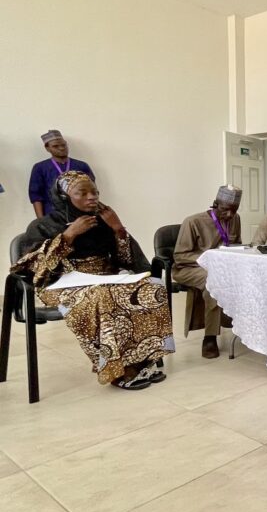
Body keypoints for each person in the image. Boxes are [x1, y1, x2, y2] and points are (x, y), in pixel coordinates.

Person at [13, 171, 173, 389]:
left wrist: (118, 229)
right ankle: (118, 371)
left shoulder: (103, 221)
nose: (92, 197)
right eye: (83, 193)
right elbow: (35, 267)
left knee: (151, 288)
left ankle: (143, 360)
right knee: (101, 296)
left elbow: (126, 260)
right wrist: (69, 235)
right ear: (64, 196)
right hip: (61, 281)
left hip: (102, 277)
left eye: (95, 192)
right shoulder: (43, 225)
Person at [172, 185, 242, 359]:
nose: (229, 216)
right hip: (190, 267)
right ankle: (210, 337)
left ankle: (240, 325)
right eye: (225, 210)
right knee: (214, 281)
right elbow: (180, 256)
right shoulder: (193, 222)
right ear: (215, 204)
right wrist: (210, 259)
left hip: (222, 267)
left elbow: (235, 246)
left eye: (234, 211)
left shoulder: (235, 219)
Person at [28, 130, 95, 218]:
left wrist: (92, 213)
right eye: (56, 146)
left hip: (81, 213)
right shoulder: (40, 168)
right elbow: (36, 196)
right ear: (47, 148)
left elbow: (92, 191)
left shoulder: (81, 166)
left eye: (63, 145)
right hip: (53, 215)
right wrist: (41, 221)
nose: (61, 148)